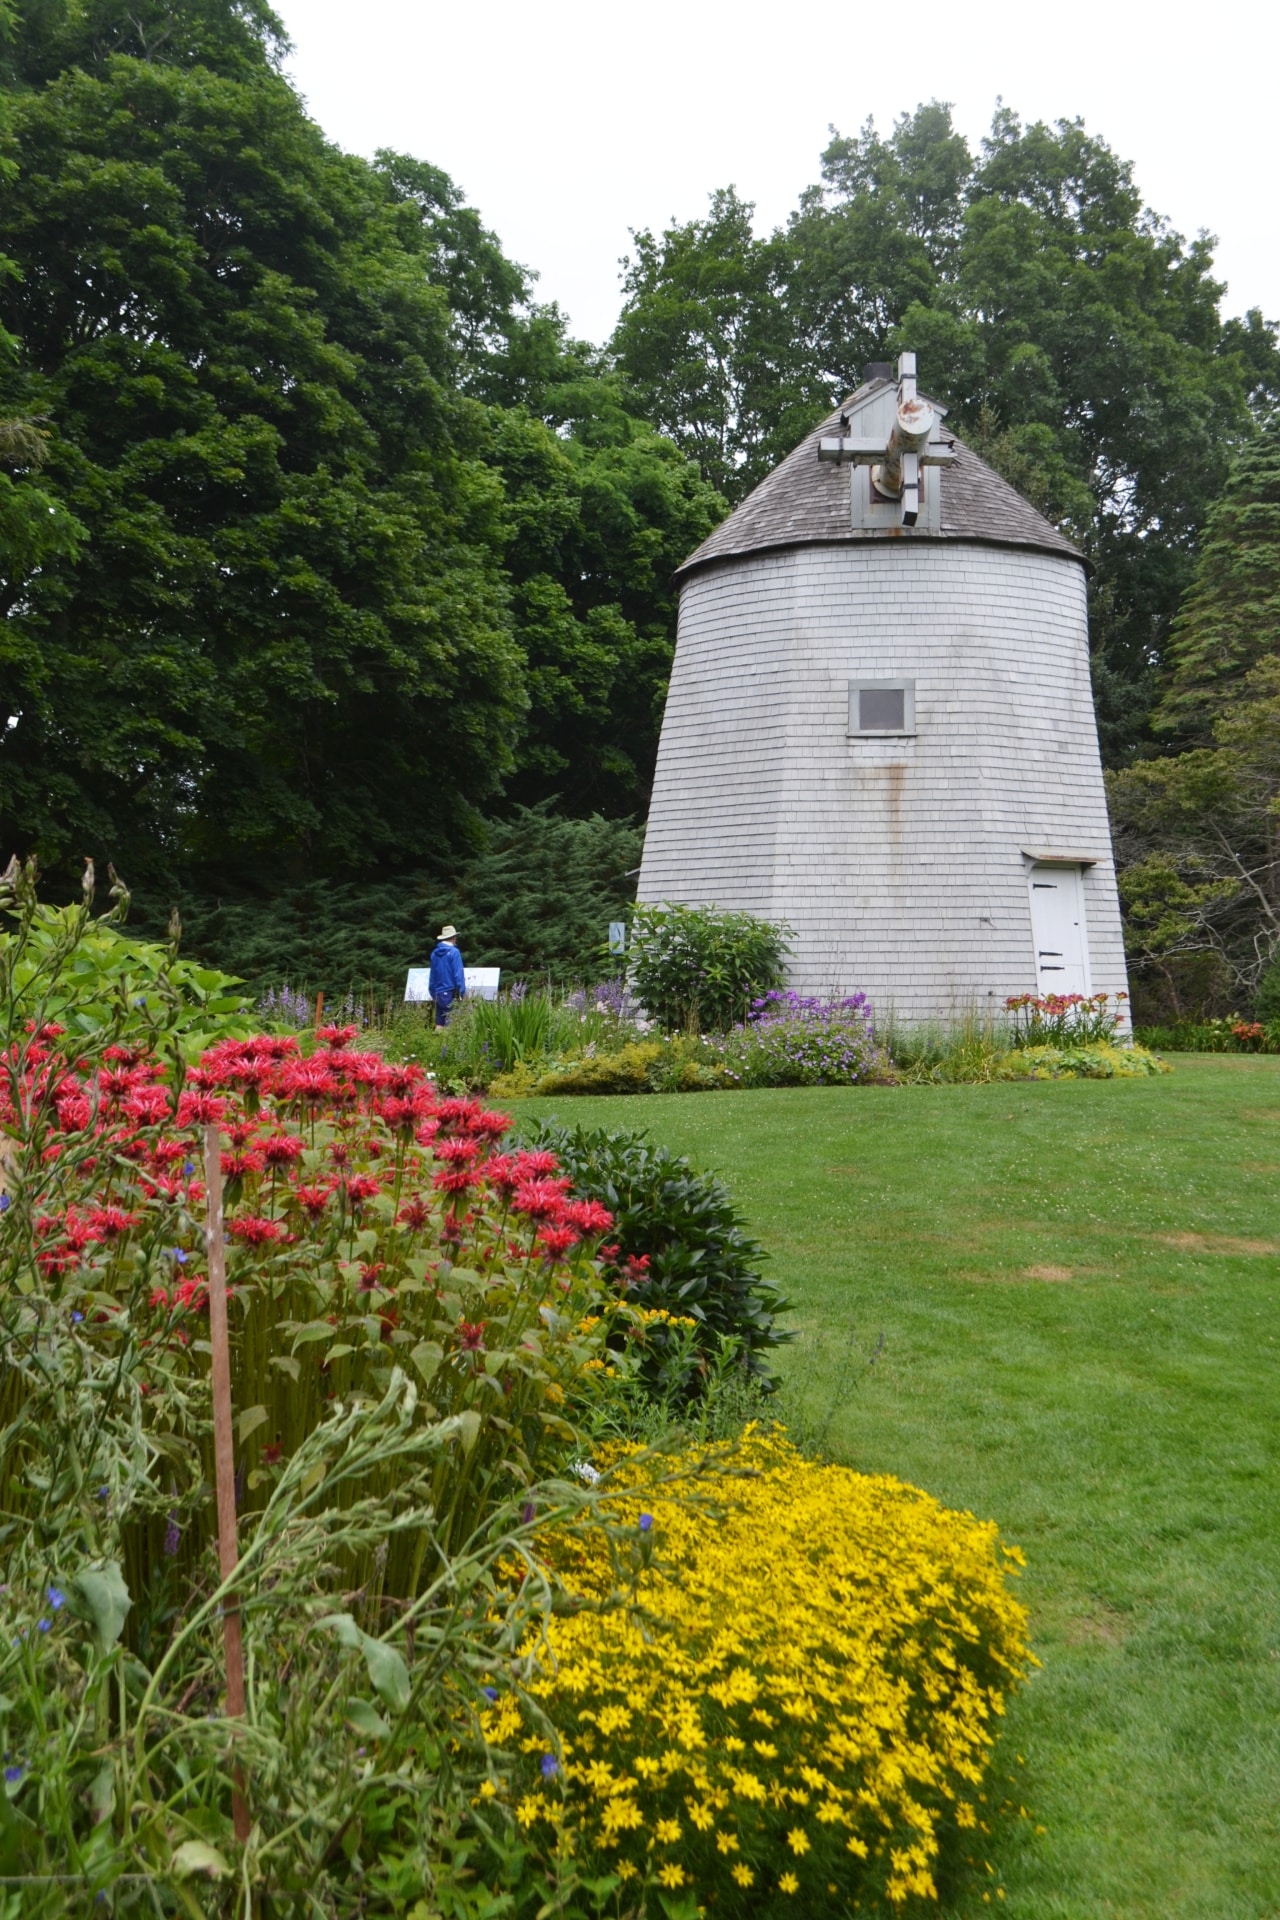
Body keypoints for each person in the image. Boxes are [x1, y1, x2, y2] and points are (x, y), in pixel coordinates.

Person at [428, 924, 466, 1026]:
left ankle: (436, 1041)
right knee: (451, 1022)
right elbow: (458, 973)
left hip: (438, 992)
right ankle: (448, 1042)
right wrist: (462, 992)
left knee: (439, 1023)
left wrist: (432, 992)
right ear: (454, 938)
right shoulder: (454, 952)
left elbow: (432, 975)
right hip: (450, 992)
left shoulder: (434, 953)